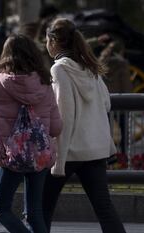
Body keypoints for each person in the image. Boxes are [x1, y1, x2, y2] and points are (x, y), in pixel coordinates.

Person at [0, 34, 62, 233]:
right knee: (34, 212)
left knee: (1, 210)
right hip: (39, 154)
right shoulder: (45, 83)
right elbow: (56, 128)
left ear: (6, 56)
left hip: (11, 154)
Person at [43, 18, 126, 233]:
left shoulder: (59, 69)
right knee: (104, 209)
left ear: (53, 41)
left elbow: (64, 115)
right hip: (95, 150)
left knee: (42, 208)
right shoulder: (90, 66)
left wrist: (58, 161)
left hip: (69, 151)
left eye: (46, 40)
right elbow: (106, 103)